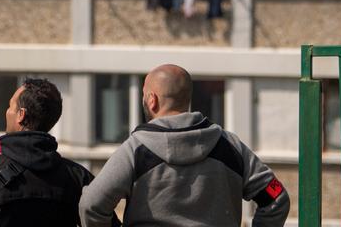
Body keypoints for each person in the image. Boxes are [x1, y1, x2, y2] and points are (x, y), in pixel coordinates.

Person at [79, 64, 290, 227]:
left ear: (152, 100)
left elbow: (92, 205)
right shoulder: (231, 146)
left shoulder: (135, 150)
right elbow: (276, 196)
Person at [0, 78, 100, 227]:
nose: (7, 112)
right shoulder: (78, 178)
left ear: (21, 115)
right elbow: (104, 220)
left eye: (10, 106)